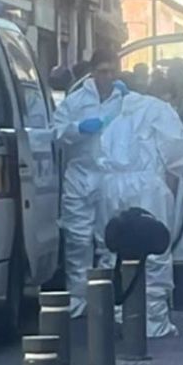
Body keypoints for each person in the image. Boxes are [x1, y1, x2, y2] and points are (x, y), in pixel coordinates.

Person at [97, 74, 183, 338]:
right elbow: (177, 153)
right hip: (146, 185)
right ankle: (152, 321)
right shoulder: (160, 109)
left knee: (113, 249)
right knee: (153, 253)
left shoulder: (111, 109)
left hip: (110, 185)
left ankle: (119, 314)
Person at [52, 49, 125, 318]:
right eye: (103, 71)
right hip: (80, 176)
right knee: (78, 240)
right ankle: (79, 298)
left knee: (111, 241)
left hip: (111, 177)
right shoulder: (76, 101)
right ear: (92, 72)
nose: (108, 76)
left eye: (112, 71)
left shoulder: (125, 101)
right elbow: (56, 131)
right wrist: (79, 128)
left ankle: (108, 299)